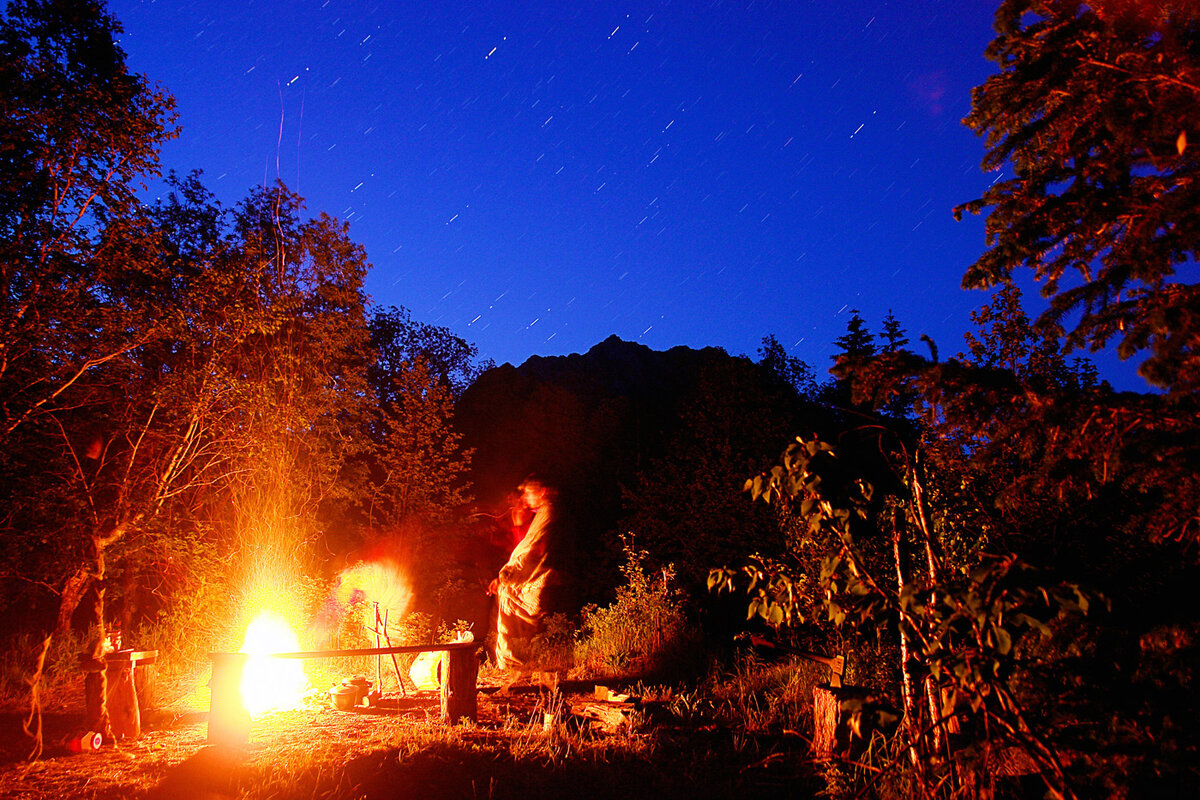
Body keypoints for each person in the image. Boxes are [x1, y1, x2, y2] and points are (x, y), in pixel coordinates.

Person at [488, 477, 564, 675]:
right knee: (513, 616)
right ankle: (520, 668)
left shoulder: (548, 512)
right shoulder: (542, 513)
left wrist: (511, 573)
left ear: (542, 491)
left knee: (510, 611)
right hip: (532, 579)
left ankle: (512, 669)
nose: (526, 498)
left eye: (529, 493)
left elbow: (536, 546)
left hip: (535, 581)